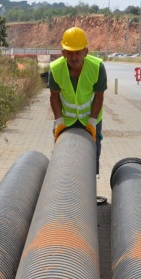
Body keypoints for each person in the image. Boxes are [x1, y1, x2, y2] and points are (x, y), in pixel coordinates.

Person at [48, 26, 108, 205]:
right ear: (63, 52)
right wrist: (59, 122)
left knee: (91, 152)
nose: (74, 57)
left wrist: (91, 122)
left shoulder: (97, 67)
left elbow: (99, 96)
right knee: (63, 153)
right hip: (66, 119)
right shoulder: (55, 68)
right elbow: (54, 96)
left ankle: (88, 191)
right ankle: (63, 191)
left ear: (86, 51)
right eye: (70, 52)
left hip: (90, 118)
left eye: (78, 53)